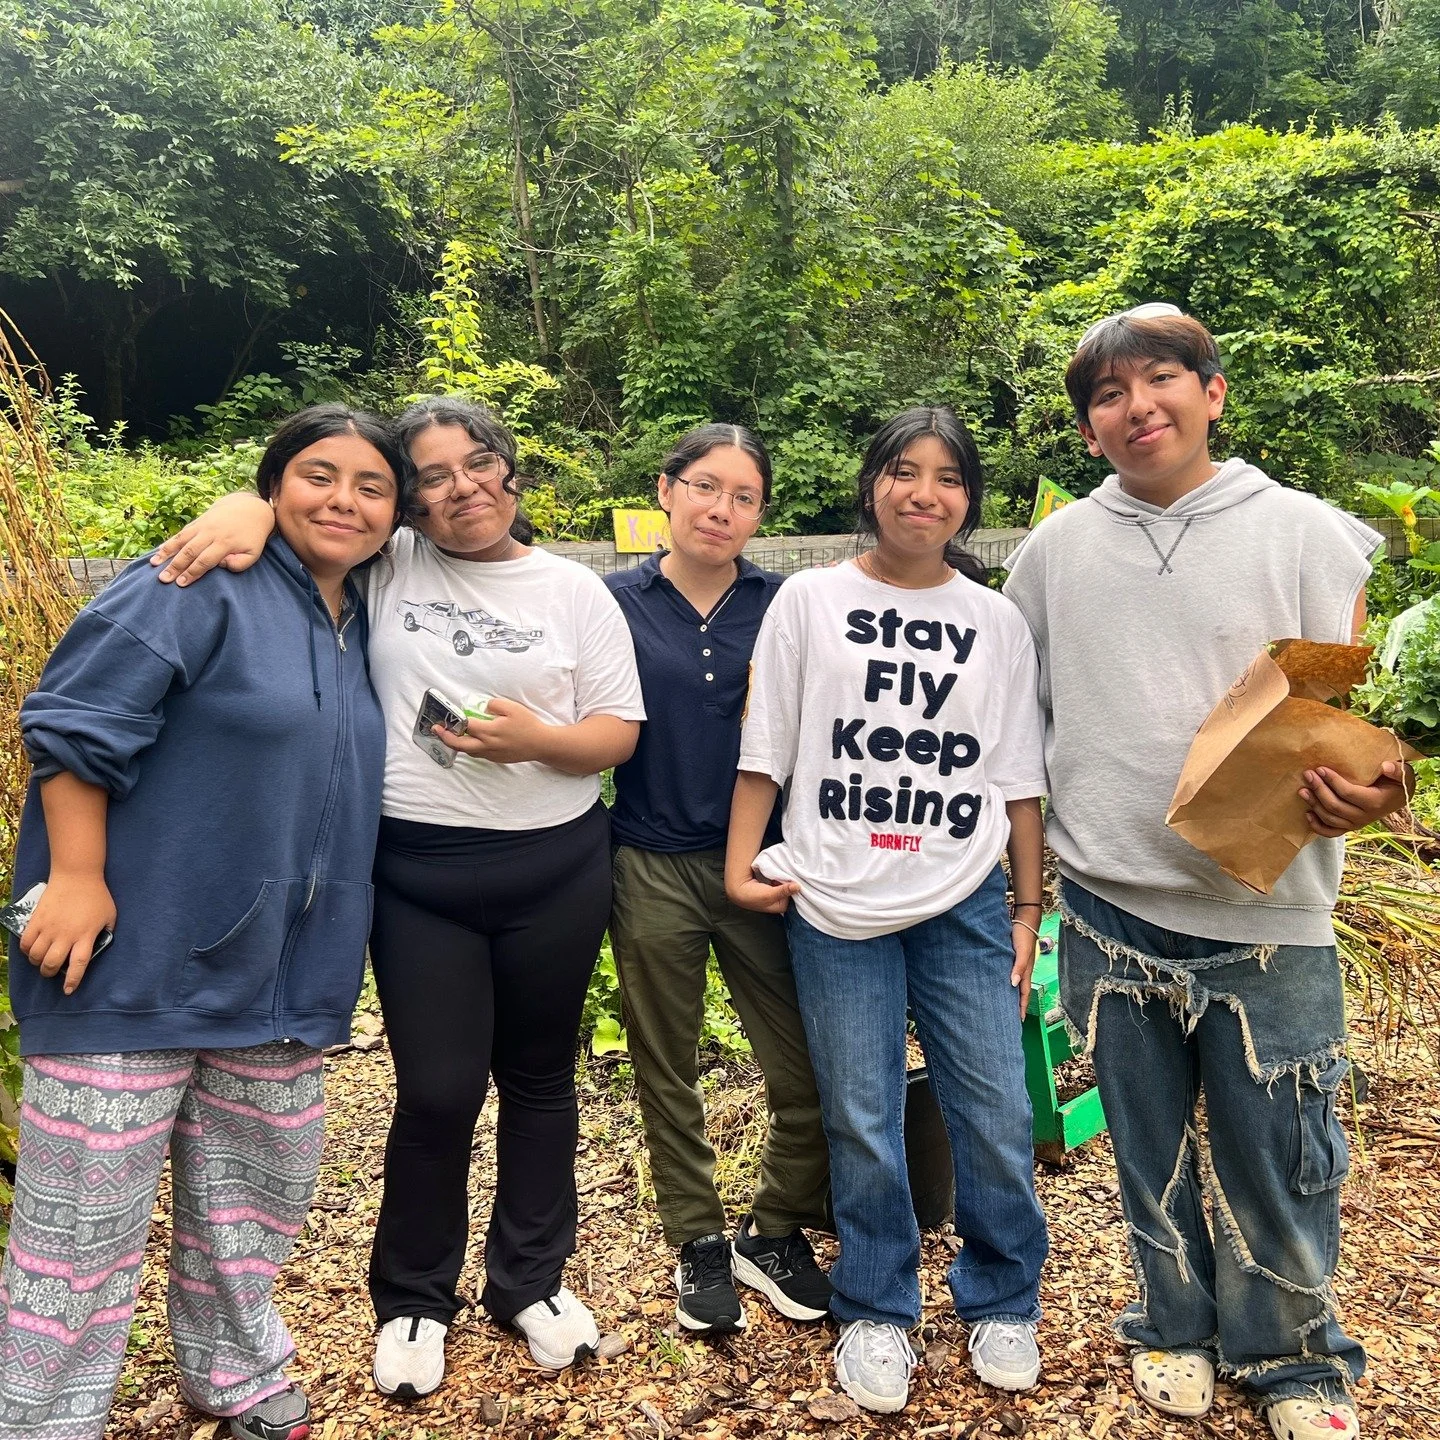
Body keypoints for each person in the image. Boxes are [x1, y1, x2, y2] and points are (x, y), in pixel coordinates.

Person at [147, 396, 645, 1400]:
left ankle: (531, 1279)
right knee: (438, 1090)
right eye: (433, 475)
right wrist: (248, 506)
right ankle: (414, 1295)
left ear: (509, 467)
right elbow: (316, 516)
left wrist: (536, 741)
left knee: (541, 1080)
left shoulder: (574, 590)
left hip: (556, 866)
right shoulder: (389, 563)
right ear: (410, 501)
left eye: (479, 462)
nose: (464, 487)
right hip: (418, 874)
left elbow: (616, 733)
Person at [1002, 304, 1412, 1440]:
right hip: (1110, 904)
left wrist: (1382, 790)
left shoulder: (1309, 536)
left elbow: (1365, 724)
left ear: (1213, 391)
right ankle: (1172, 1324)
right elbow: (1018, 718)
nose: (1138, 407)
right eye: (1108, 395)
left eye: (1162, 380)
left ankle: (1295, 1360)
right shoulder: (1053, 555)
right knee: (1147, 1148)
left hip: (1271, 911)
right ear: (1087, 428)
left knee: (1282, 1154)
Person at [0, 404, 409, 1440]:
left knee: (251, 1212)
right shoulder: (197, 581)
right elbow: (74, 720)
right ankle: (43, 1423)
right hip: (127, 963)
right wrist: (76, 875)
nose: (344, 501)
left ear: (396, 516)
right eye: (318, 475)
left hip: (280, 981)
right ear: (273, 485)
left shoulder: (368, 615)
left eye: (372, 486)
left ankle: (239, 1379)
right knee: (78, 1236)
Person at [725, 406, 1051, 1416]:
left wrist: (1027, 906)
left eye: (948, 477)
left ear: (969, 500)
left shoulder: (994, 620)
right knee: (861, 1115)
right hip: (834, 896)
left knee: (995, 1109)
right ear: (872, 485)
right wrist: (740, 865)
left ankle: (1005, 1296)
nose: (924, 493)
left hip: (964, 897)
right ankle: (876, 1305)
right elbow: (768, 743)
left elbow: (1018, 777)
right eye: (904, 471)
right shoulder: (810, 600)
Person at [605, 424, 831, 1336]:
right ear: (666, 490)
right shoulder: (613, 601)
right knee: (667, 1063)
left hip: (765, 866)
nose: (721, 509)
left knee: (806, 1065)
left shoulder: (787, 605)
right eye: (704, 486)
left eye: (744, 496)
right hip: (650, 861)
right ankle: (696, 1237)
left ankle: (772, 1229)